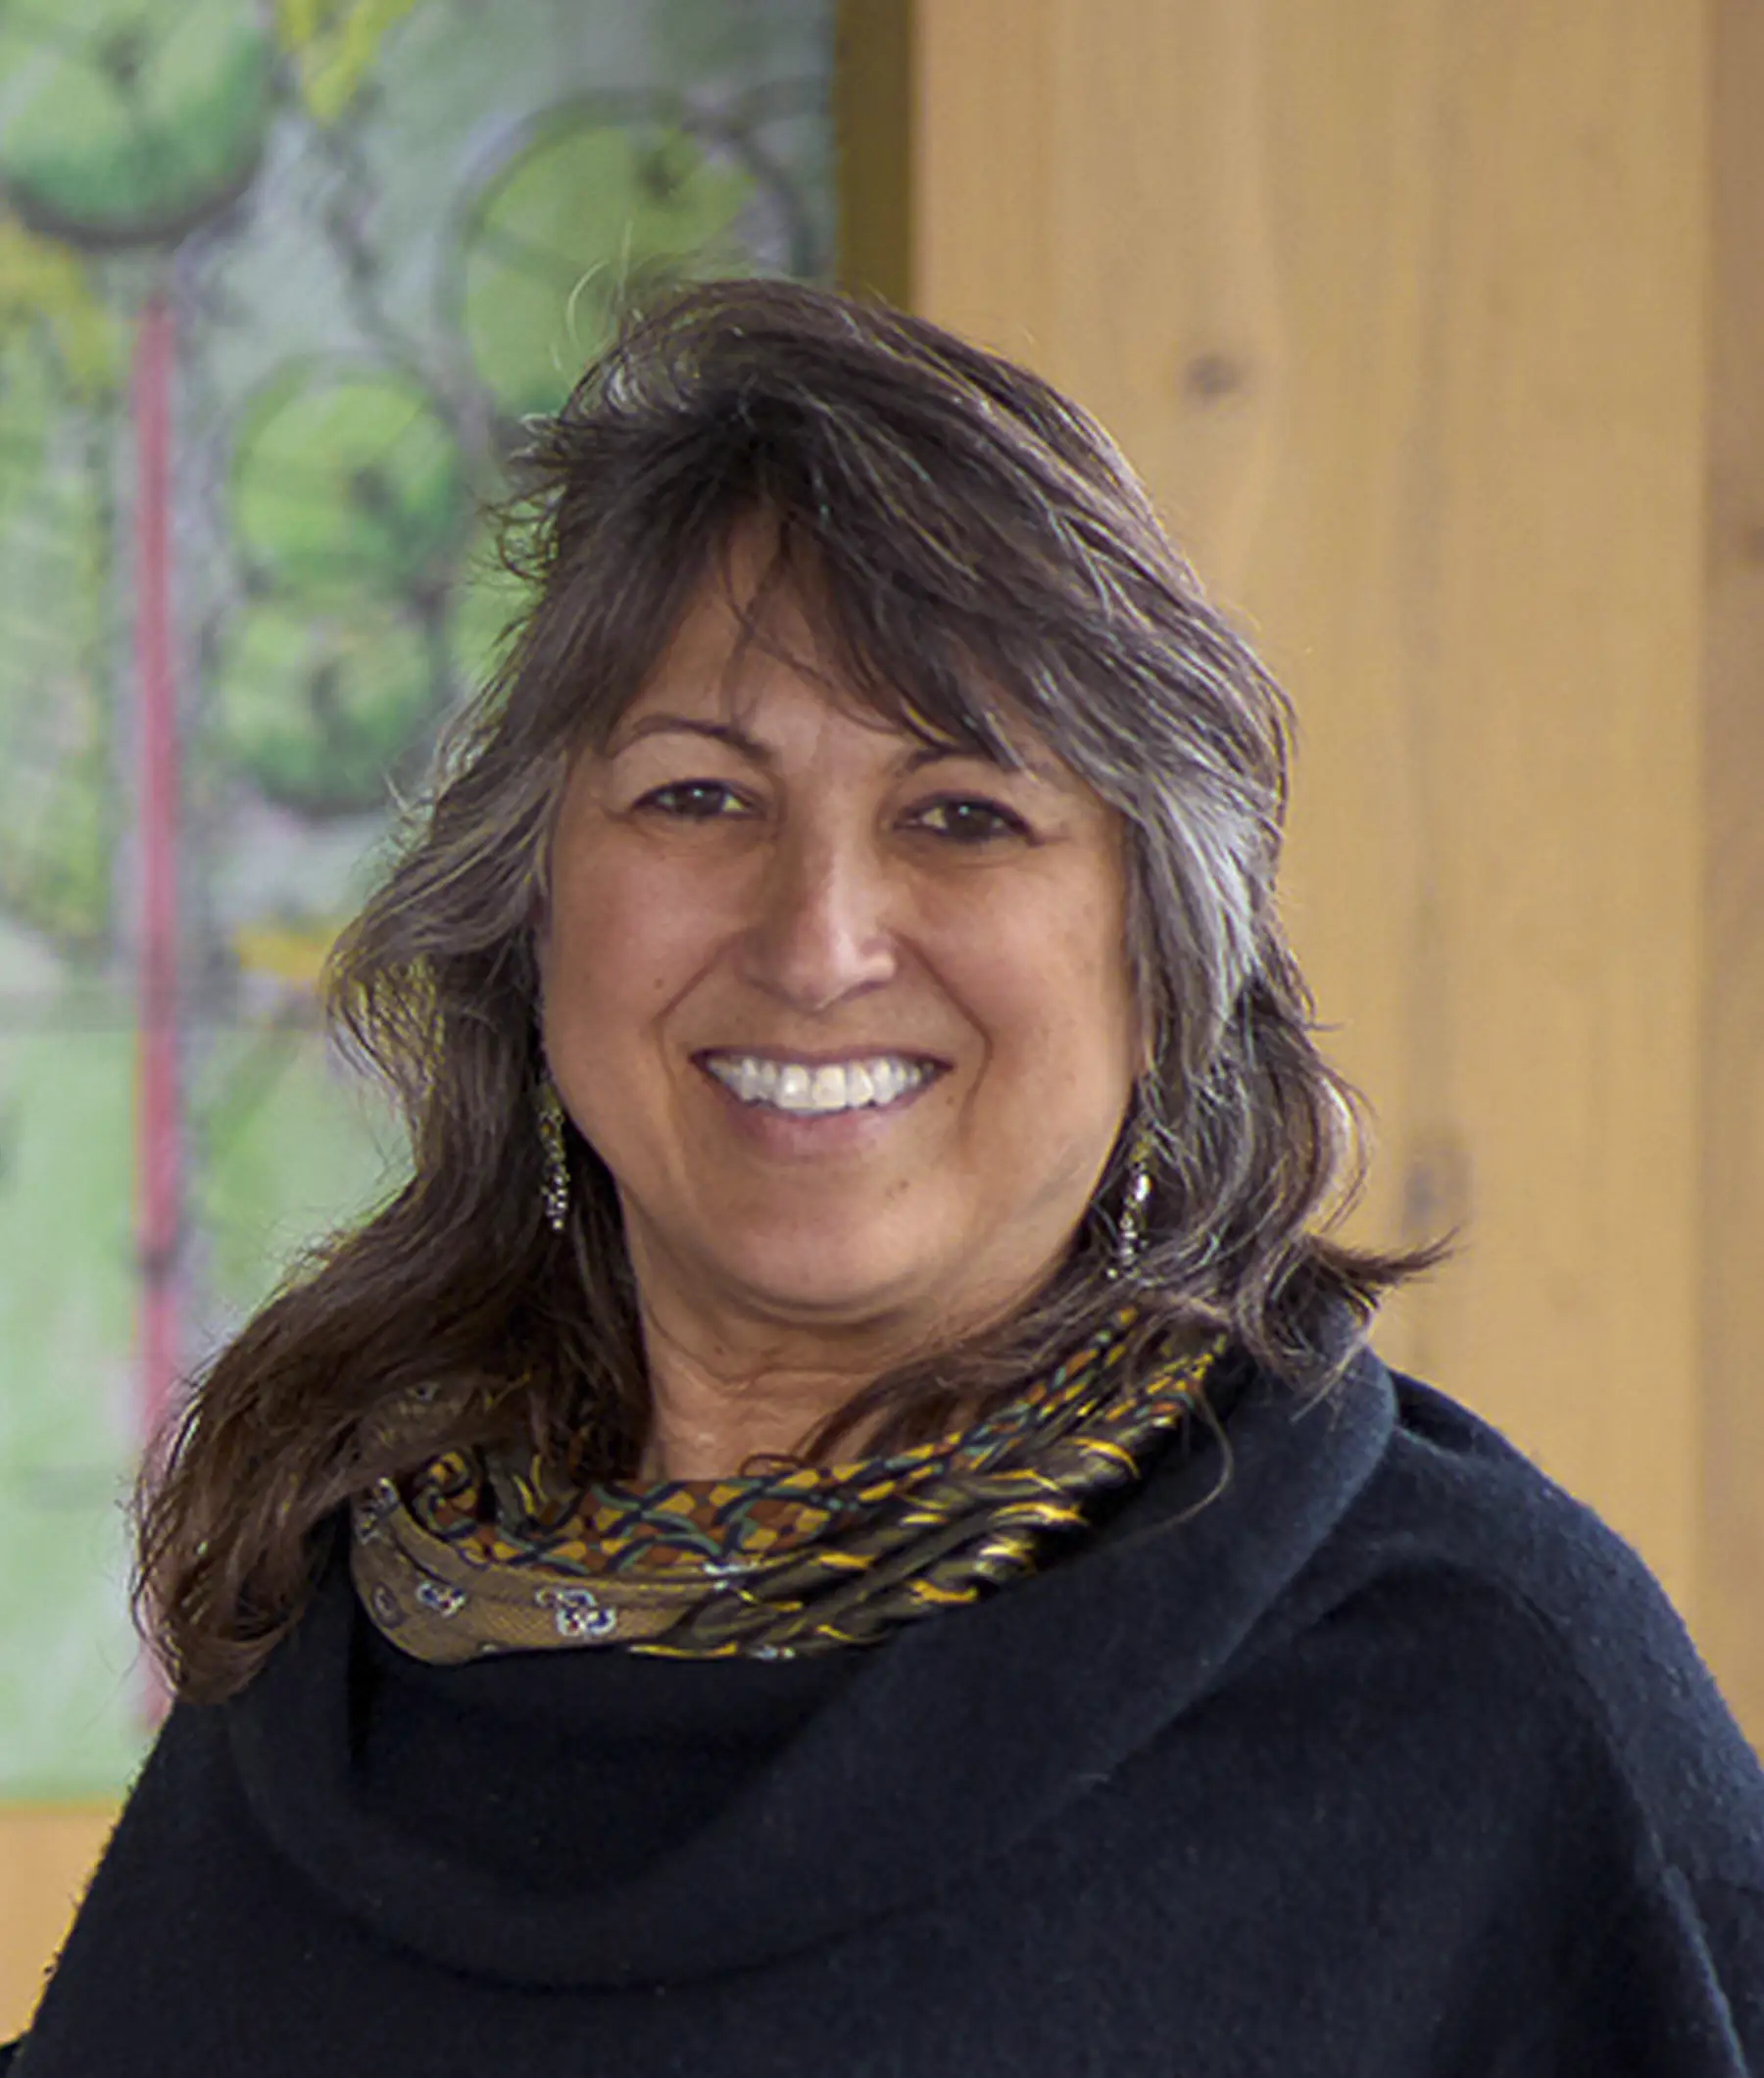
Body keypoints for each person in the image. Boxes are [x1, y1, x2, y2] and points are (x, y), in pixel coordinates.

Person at [7, 278, 1763, 2076]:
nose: (819, 937)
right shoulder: (360, 1639)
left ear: (1161, 961)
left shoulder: (1480, 1706)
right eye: (699, 797)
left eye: (963, 815)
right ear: (535, 913)